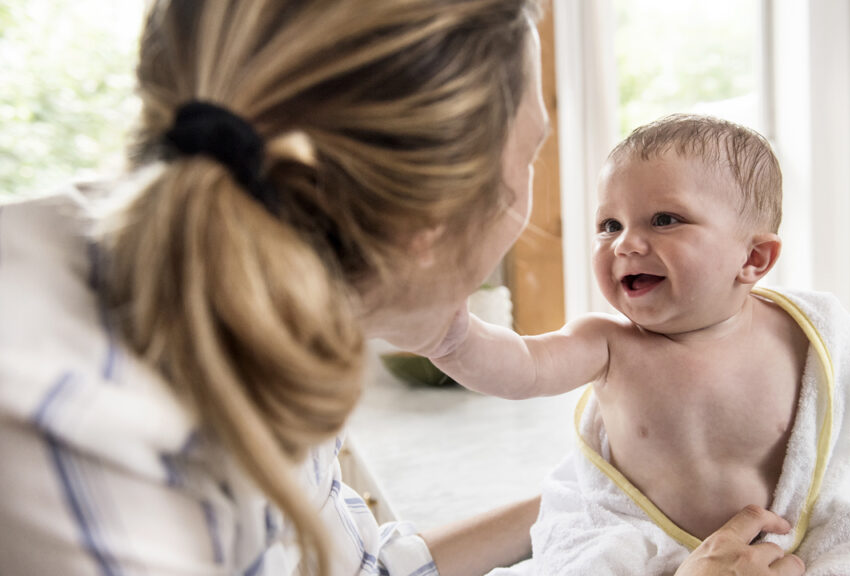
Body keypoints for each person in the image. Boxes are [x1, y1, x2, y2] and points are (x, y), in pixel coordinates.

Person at [0, 2, 807, 575]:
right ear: (431, 221)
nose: (623, 244)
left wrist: (612, 507)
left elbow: (363, 569)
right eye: (531, 161)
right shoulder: (63, 427)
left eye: (668, 220)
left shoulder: (260, 287)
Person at [430, 113, 850, 575]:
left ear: (754, 258)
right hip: (663, 548)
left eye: (664, 220)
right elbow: (521, 369)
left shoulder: (802, 331)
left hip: (808, 534)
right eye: (609, 224)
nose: (625, 243)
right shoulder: (608, 345)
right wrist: (452, 335)